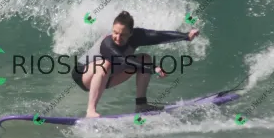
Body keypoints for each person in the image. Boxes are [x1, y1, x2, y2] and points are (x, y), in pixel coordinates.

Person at [72, 11, 200, 118]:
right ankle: (90, 111)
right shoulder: (107, 43)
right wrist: (153, 68)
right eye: (115, 32)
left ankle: (141, 105)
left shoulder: (136, 36)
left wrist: (186, 36)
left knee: (145, 58)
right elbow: (123, 60)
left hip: (108, 77)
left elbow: (158, 36)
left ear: (131, 33)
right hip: (84, 75)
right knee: (105, 64)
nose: (117, 37)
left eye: (123, 34)